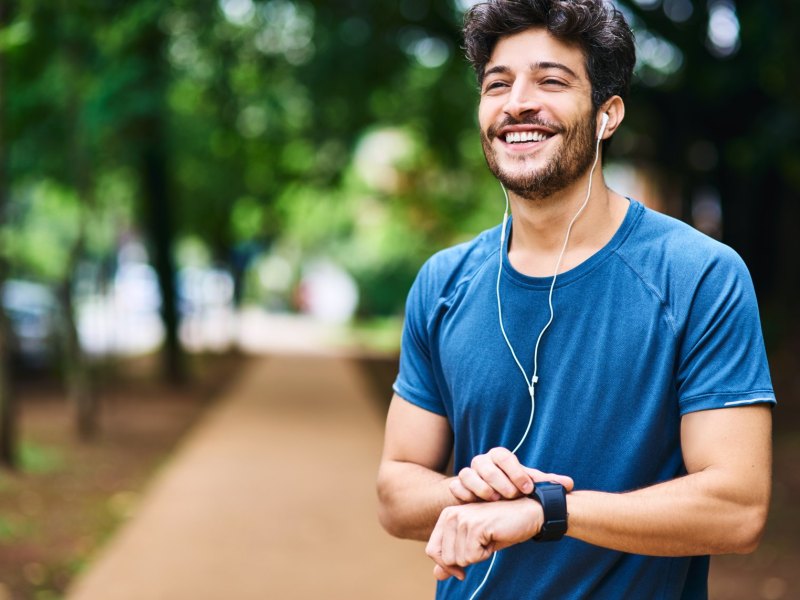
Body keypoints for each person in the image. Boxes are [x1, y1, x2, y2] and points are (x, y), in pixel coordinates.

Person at [376, 0, 776, 598]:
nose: (517, 103)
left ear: (607, 114)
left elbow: (737, 508)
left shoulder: (699, 276)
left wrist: (546, 511)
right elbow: (395, 493)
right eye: (497, 84)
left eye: (551, 80)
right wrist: (473, 491)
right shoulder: (443, 282)